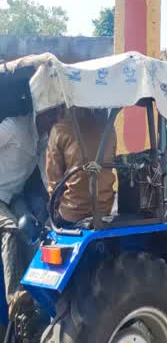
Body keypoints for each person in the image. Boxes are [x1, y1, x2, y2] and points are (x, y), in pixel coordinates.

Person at [46, 108, 117, 226]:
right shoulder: (109, 128)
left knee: (45, 230)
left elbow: (54, 184)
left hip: (72, 213)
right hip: (105, 209)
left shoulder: (59, 130)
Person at [0, 115, 41, 304]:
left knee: (33, 228)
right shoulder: (14, 127)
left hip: (14, 196)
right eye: (54, 112)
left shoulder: (44, 140)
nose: (58, 117)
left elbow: (46, 174)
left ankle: (36, 290)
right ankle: (15, 296)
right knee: (12, 230)